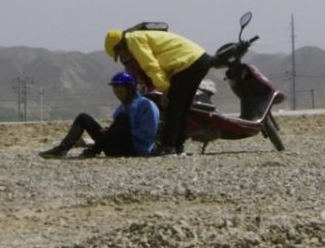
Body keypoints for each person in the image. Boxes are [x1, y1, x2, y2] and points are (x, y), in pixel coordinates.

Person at [104, 25, 211, 156]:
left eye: (119, 54)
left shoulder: (133, 40)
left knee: (174, 106)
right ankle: (178, 146)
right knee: (183, 107)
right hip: (200, 59)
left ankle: (168, 146)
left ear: (120, 46)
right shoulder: (138, 37)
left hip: (188, 62)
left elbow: (151, 66)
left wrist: (164, 89)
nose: (123, 57)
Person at [39, 71, 160, 159]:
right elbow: (117, 129)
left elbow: (148, 134)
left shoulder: (146, 105)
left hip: (135, 148)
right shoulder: (121, 109)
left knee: (122, 120)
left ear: (129, 88)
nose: (116, 92)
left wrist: (119, 131)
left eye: (119, 87)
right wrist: (110, 131)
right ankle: (62, 149)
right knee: (83, 118)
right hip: (114, 145)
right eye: (114, 88)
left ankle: (94, 150)